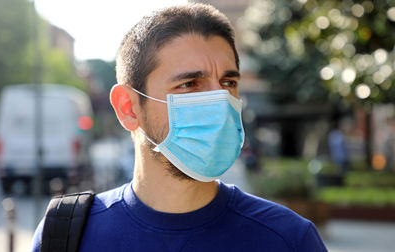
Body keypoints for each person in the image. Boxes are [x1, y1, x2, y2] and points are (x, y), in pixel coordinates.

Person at [31, 3, 327, 251]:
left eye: (228, 83)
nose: (219, 102)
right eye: (189, 84)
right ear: (128, 107)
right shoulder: (66, 235)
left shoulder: (288, 239)